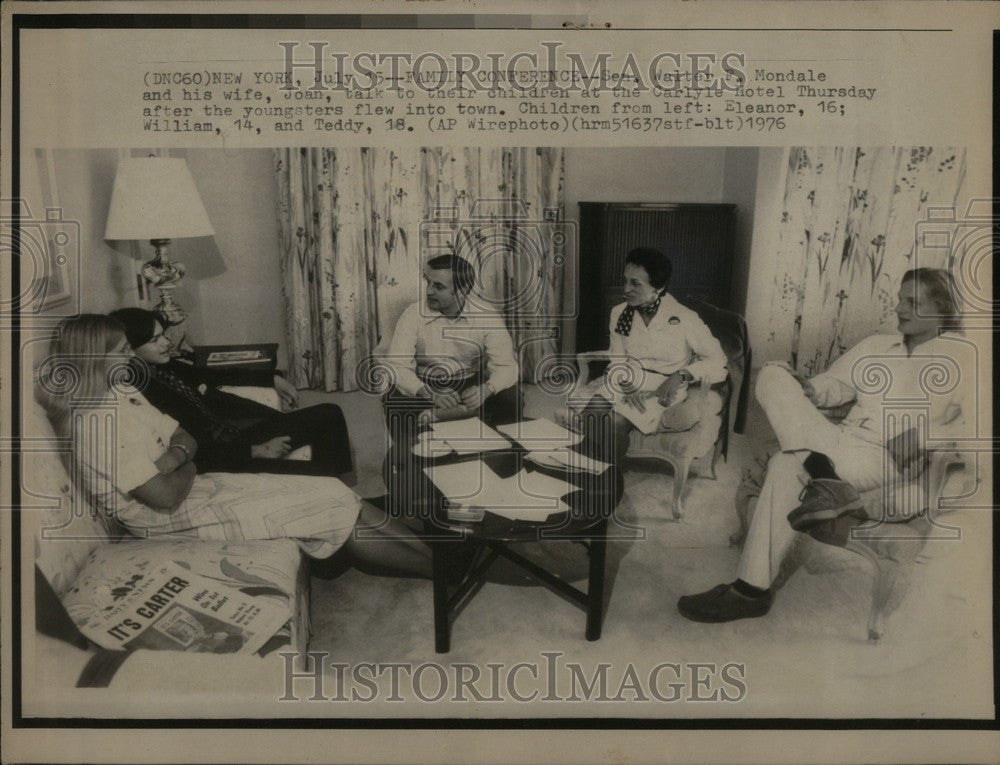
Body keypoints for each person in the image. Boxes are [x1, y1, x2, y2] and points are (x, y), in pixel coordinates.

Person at [36, 315, 431, 577]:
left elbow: (182, 437)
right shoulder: (93, 425)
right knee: (327, 510)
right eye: (121, 351)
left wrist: (174, 459)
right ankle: (439, 570)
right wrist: (184, 463)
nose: (130, 357)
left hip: (189, 490)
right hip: (159, 519)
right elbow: (163, 496)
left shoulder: (120, 391)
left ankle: (442, 558)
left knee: (332, 488)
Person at [678, 268, 970, 622]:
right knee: (773, 374)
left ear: (941, 309)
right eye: (899, 299)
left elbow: (973, 426)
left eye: (912, 302)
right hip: (839, 440)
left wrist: (924, 436)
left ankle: (750, 590)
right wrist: (811, 390)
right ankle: (824, 478)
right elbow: (836, 385)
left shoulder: (963, 359)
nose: (899, 308)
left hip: (883, 456)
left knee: (786, 464)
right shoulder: (878, 345)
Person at [109, 307, 355, 483]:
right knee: (318, 475)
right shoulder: (141, 394)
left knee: (329, 414)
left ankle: (346, 490)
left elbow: (216, 374)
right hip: (227, 455)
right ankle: (344, 502)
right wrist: (256, 451)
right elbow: (190, 447)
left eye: (164, 335)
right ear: (130, 349)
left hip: (236, 435)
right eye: (155, 340)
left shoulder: (162, 367)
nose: (166, 343)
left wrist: (271, 377)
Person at [561, 247, 728, 464]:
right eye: (625, 281)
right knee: (592, 413)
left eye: (635, 283)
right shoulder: (619, 313)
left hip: (662, 388)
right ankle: (582, 471)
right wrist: (628, 386)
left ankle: (606, 481)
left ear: (658, 288)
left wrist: (681, 375)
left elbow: (718, 360)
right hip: (624, 380)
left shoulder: (685, 318)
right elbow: (618, 358)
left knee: (614, 423)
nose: (626, 289)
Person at [382, 254, 521, 434]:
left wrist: (487, 389)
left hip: (469, 383)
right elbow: (398, 367)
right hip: (424, 383)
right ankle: (411, 457)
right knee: (395, 402)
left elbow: (507, 366)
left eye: (438, 286)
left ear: (462, 290)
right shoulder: (412, 314)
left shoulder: (487, 316)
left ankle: (496, 451)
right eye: (428, 282)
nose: (429, 291)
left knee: (512, 398)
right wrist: (429, 393)